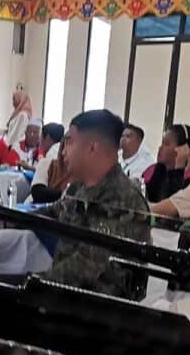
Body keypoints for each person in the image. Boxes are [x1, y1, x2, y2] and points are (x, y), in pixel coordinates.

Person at [39, 109, 150, 297]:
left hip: (97, 309)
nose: (63, 151)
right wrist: (10, 220)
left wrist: (33, 284)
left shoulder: (123, 200)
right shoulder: (79, 187)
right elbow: (52, 213)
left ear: (92, 147)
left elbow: (87, 265)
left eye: (69, 142)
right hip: (65, 295)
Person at [144, 124, 190, 202]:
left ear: (184, 149)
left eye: (166, 144)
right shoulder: (156, 170)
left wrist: (179, 168)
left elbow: (173, 202)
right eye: (162, 143)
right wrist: (160, 167)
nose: (160, 147)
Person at [30, 132, 72, 203]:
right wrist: (64, 195)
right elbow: (37, 192)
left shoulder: (84, 174)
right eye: (64, 145)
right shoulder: (48, 164)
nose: (64, 152)